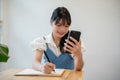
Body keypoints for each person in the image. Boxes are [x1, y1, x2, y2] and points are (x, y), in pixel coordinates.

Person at [31, 7, 84, 74]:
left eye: (66, 26)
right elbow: (35, 63)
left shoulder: (74, 42)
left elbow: (79, 68)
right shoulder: (42, 41)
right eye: (58, 25)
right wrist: (42, 67)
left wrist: (79, 55)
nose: (62, 30)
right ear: (51, 22)